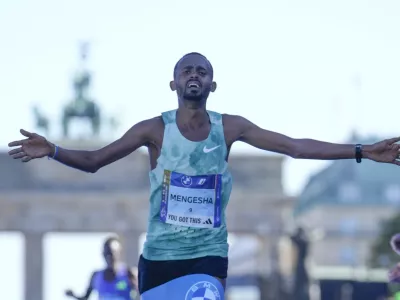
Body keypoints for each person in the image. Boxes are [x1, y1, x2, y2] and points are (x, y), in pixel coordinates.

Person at [8, 52, 400, 296]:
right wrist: (54, 150)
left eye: (201, 70)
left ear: (212, 84)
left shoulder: (230, 128)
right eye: (186, 70)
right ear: (174, 83)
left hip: (207, 256)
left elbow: (294, 147)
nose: (193, 74)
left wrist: (362, 151)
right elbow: (95, 161)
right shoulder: (153, 130)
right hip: (158, 260)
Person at [64, 236, 139, 300]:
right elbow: (85, 297)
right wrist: (73, 295)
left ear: (119, 253)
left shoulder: (129, 274)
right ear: (103, 254)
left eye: (113, 253)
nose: (110, 257)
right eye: (107, 253)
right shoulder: (96, 276)